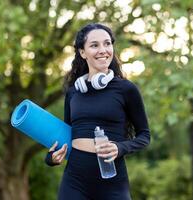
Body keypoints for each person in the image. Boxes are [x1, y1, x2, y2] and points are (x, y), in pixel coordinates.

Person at [45, 23, 151, 200]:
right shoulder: (73, 92)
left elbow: (144, 136)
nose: (103, 50)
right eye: (94, 45)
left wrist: (120, 147)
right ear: (82, 52)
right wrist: (51, 158)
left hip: (112, 182)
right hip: (75, 180)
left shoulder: (126, 89)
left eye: (107, 43)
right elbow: (67, 136)